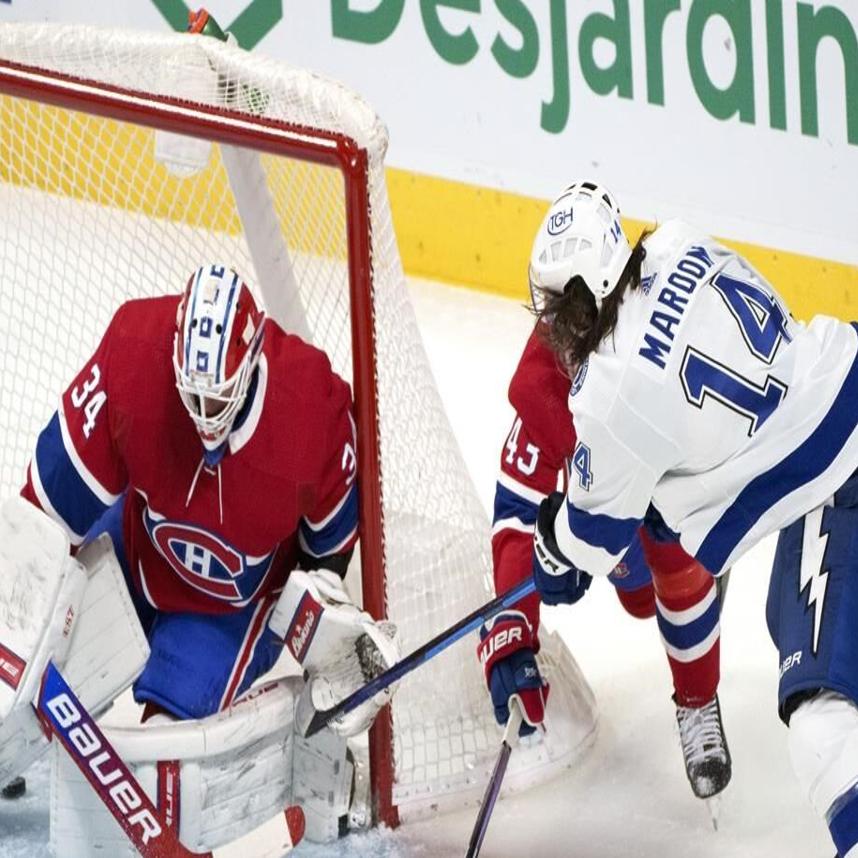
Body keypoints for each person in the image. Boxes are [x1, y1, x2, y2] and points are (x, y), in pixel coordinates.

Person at [2, 264, 399, 846]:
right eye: (191, 391)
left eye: (217, 394)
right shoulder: (133, 352)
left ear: (252, 362)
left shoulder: (310, 408)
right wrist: (24, 622)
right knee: (21, 656)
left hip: (231, 603)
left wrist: (323, 631)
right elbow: (45, 514)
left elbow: (326, 562)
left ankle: (311, 770)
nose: (202, 410)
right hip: (136, 555)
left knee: (167, 758)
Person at [527, 180, 858, 857]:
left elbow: (592, 539)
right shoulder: (680, 240)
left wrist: (552, 548)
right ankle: (716, 535)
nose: (551, 326)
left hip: (837, 474)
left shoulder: (608, 397)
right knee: (670, 515)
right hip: (842, 361)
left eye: (560, 307)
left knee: (824, 722)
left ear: (589, 300)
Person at [478, 319, 729, 803]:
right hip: (607, 510)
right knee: (638, 598)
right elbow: (516, 513)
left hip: (673, 487)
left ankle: (698, 700)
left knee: (677, 561)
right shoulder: (543, 382)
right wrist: (513, 631)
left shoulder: (655, 352)